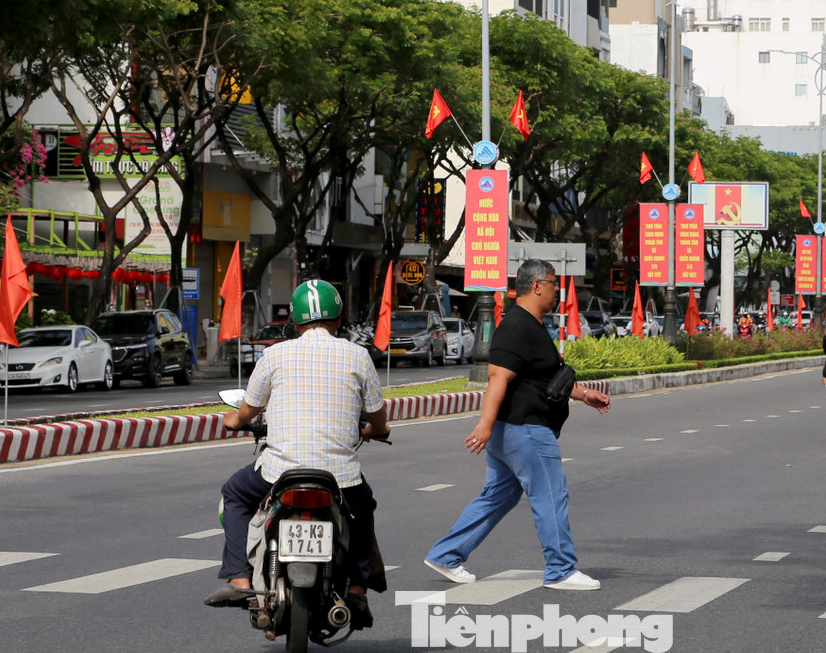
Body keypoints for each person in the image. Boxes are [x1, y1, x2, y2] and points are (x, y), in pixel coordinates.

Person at [204, 279, 390, 629]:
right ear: (339, 320)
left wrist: (234, 420)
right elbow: (379, 419)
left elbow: (247, 413)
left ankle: (240, 579)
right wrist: (375, 431)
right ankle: (357, 588)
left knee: (235, 493)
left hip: (278, 473)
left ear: (295, 321)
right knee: (363, 508)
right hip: (340, 477)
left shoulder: (275, 354)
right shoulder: (358, 355)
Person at [425, 259, 612, 591]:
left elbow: (543, 379)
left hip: (512, 431)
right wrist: (484, 423)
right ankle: (560, 569)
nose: (558, 290)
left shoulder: (532, 325)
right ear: (538, 285)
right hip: (524, 429)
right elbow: (498, 376)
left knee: (498, 496)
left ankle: (446, 554)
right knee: (551, 493)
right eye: (555, 284)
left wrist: (584, 395)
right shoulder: (517, 325)